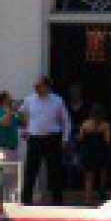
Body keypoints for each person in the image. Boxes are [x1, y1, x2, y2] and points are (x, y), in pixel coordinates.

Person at [19, 75, 72, 205]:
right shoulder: (29, 100)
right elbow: (20, 116)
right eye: (35, 86)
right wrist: (23, 130)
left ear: (47, 87)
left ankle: (57, 203)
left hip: (52, 139)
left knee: (54, 172)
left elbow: (66, 121)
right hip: (35, 139)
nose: (36, 88)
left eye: (39, 86)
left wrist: (65, 139)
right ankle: (26, 201)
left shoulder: (57, 100)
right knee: (30, 171)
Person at [77, 104, 111, 204]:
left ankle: (88, 198)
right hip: (101, 152)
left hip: (88, 152)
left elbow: (80, 138)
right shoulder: (105, 125)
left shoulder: (85, 124)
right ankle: (102, 193)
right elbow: (108, 140)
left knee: (89, 177)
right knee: (102, 174)